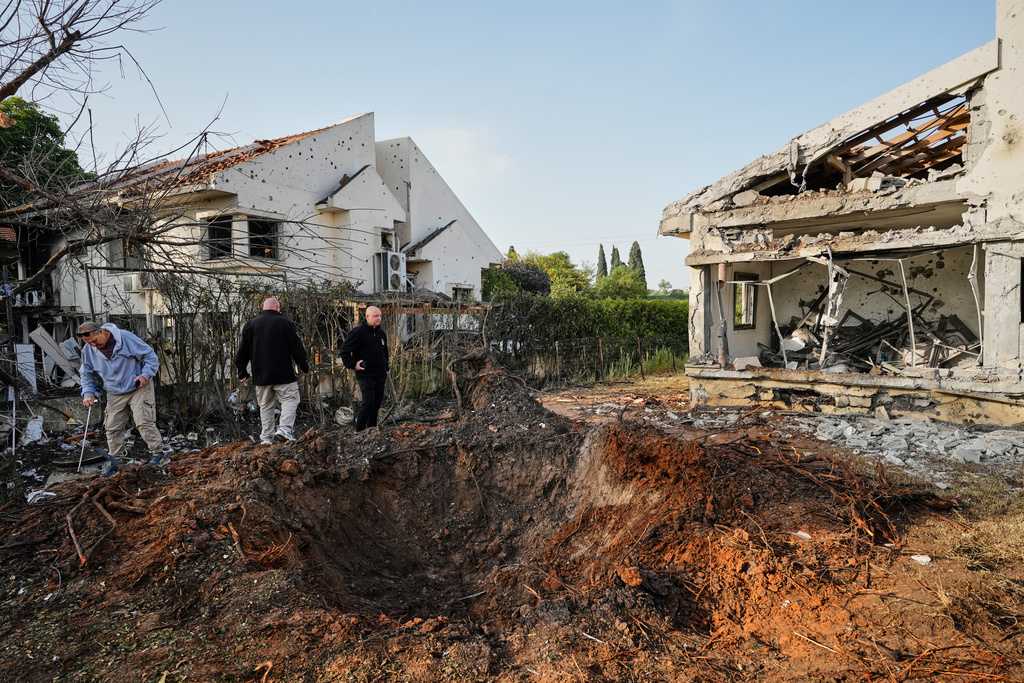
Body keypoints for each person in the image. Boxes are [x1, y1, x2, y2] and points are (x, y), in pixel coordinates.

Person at [77, 321, 174, 473]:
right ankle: (116, 462)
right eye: (89, 343)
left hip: (138, 386)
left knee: (143, 421)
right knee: (112, 427)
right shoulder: (89, 349)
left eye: (95, 341)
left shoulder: (126, 339)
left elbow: (150, 357)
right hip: (114, 392)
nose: (93, 345)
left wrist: (145, 375)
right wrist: (88, 393)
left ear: (101, 332)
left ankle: (159, 454)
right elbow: (87, 374)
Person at [235, 297, 310, 444]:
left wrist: (242, 373)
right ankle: (285, 429)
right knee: (291, 399)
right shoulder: (285, 323)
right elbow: (297, 348)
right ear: (277, 308)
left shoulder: (251, 324)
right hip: (283, 374)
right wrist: (303, 366)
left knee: (265, 406)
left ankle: (266, 438)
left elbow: (243, 350)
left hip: (261, 375)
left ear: (263, 308)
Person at [340, 305, 389, 431]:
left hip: (380, 374)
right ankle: (360, 431)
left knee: (377, 403)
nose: (379, 318)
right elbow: (344, 351)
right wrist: (353, 364)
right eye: (375, 316)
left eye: (380, 316)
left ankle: (371, 429)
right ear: (367, 316)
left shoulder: (381, 333)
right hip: (366, 374)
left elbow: (385, 352)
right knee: (368, 402)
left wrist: (386, 367)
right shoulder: (358, 332)